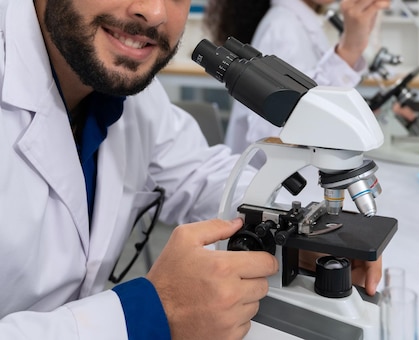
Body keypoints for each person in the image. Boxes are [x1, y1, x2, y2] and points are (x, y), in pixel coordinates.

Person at [0, 0, 381, 339]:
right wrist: (147, 313)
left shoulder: (135, 97)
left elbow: (200, 176)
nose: (154, 12)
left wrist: (299, 237)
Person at [205, 0, 390, 168]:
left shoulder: (298, 22)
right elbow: (274, 135)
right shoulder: (283, 27)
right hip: (264, 187)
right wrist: (350, 49)